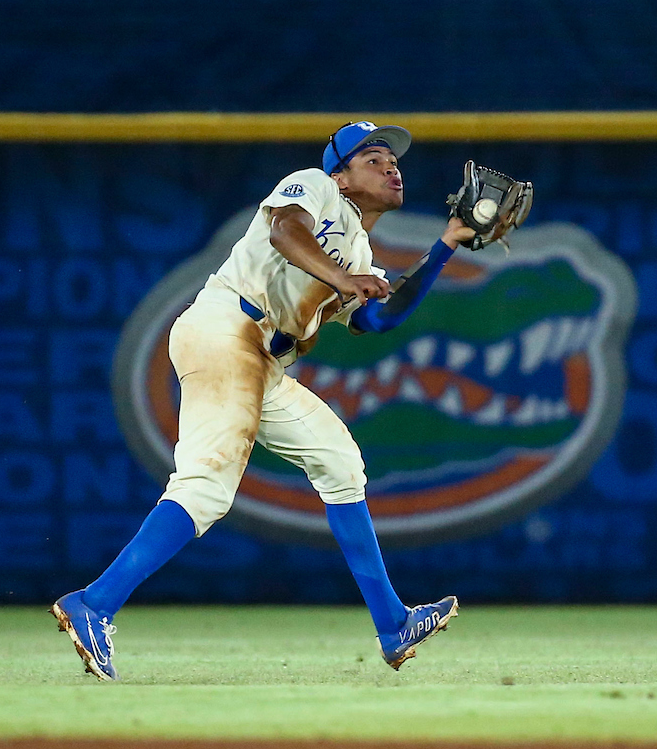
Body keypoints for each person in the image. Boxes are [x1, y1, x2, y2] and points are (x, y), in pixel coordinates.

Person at [51, 121, 476, 681]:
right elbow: (284, 231)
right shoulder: (315, 186)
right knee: (206, 487)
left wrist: (447, 244)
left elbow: (379, 316)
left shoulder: (360, 250)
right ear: (342, 175)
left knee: (340, 463)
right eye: (373, 159)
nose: (392, 166)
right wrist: (342, 278)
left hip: (264, 364)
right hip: (225, 329)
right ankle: (94, 603)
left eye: (394, 160)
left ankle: (393, 623)